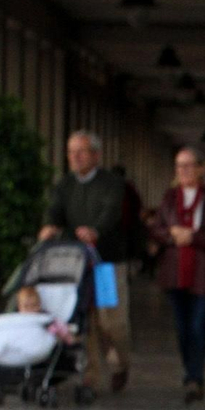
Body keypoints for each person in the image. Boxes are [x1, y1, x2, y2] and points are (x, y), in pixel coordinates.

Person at [39, 131, 130, 394]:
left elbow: (110, 211)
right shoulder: (65, 184)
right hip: (75, 263)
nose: (75, 157)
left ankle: (120, 363)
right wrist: (49, 226)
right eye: (70, 152)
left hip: (106, 263)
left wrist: (96, 231)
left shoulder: (112, 183)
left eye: (81, 151)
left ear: (96, 155)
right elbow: (54, 209)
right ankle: (90, 375)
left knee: (111, 321)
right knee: (83, 319)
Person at [150, 148, 205, 404]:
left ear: (201, 169)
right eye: (179, 166)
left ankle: (195, 378)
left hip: (203, 273)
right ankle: (190, 372)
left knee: (198, 327)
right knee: (182, 328)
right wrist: (172, 235)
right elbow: (156, 228)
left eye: (189, 165)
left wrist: (194, 237)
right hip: (175, 272)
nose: (183, 171)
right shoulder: (169, 197)